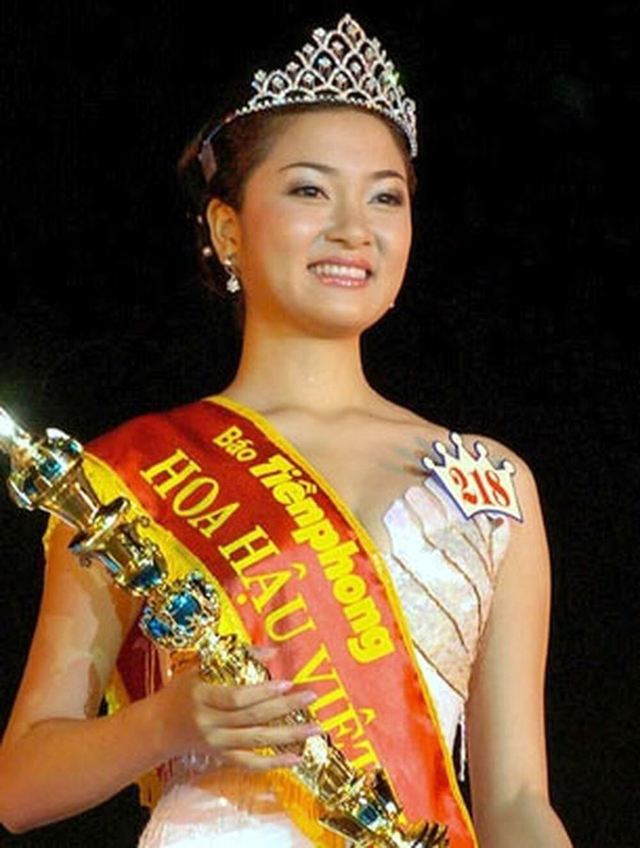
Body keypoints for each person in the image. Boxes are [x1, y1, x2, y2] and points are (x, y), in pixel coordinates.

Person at [0, 12, 573, 848]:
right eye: (310, 190)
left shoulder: (490, 482)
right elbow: (18, 784)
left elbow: (518, 798)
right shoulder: (134, 472)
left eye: (386, 196)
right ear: (227, 229)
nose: (354, 227)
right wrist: (166, 723)